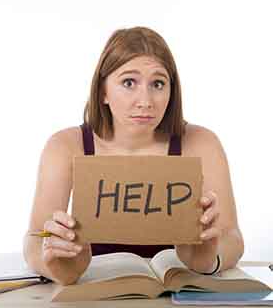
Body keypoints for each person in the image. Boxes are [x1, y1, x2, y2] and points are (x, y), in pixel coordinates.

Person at [23, 26, 244, 285]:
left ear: (171, 91)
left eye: (158, 84)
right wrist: (55, 263)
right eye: (129, 83)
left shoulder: (201, 143)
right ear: (103, 90)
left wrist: (209, 260)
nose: (145, 100)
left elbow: (232, 236)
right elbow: (35, 238)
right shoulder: (65, 146)